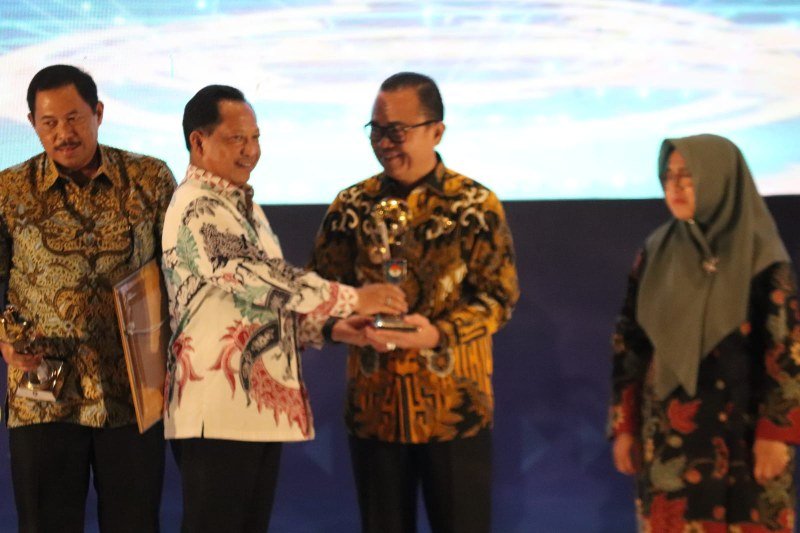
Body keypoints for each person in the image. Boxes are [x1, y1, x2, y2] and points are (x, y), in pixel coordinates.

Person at [161, 84, 406, 532]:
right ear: (198, 141)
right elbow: (257, 278)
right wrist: (354, 297)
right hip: (216, 411)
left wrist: (331, 329)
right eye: (237, 139)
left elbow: (261, 306)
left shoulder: (242, 205)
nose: (251, 150)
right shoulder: (197, 206)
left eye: (255, 138)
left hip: (249, 413)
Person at [310, 72, 520, 533]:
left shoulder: (475, 204)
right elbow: (318, 294)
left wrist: (438, 334)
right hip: (374, 410)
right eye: (376, 131)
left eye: (397, 131)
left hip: (455, 410)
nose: (384, 143)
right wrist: (342, 325)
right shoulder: (350, 206)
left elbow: (499, 297)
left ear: (436, 131)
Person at [0, 65, 175, 532]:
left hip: (132, 393)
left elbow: (177, 274)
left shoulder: (149, 178)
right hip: (43, 395)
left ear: (98, 112)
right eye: (49, 122)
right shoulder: (9, 190)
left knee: (135, 523)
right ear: (32, 123)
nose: (64, 133)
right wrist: (5, 339)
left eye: (74, 118)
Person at [609, 134, 800, 531]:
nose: (675, 186)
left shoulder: (761, 254)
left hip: (744, 435)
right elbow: (630, 341)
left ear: (719, 178)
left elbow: (786, 348)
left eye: (689, 175)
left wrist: (776, 434)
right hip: (669, 435)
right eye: (669, 176)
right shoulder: (657, 250)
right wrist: (625, 425)